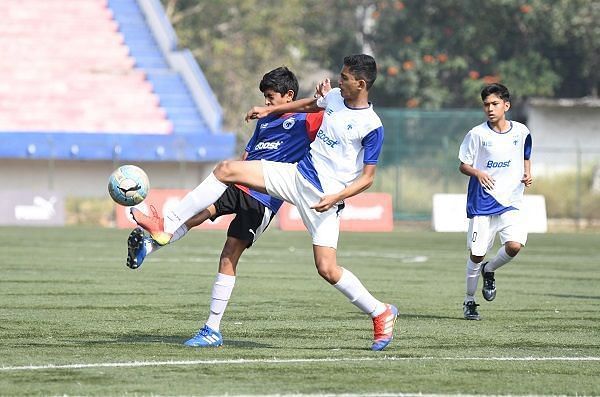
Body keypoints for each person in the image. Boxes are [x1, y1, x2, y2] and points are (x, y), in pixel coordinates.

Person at [132, 54, 398, 351]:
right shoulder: (334, 97)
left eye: (345, 77)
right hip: (296, 176)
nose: (339, 80)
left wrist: (337, 197)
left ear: (361, 84)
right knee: (226, 169)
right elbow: (310, 104)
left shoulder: (372, 125)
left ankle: (380, 311)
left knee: (327, 268)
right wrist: (267, 110)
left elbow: (368, 177)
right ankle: (165, 226)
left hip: (325, 197)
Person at [127, 67, 323, 345]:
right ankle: (148, 246)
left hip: (264, 197)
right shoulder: (264, 122)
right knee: (197, 215)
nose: (266, 102)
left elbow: (329, 116)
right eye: (264, 98)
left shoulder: (307, 120)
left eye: (270, 97)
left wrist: (323, 100)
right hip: (238, 183)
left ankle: (212, 329)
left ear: (288, 95)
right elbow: (247, 155)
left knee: (229, 253)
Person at [458, 83, 533, 320]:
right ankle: (469, 301)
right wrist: (478, 173)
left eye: (494, 104)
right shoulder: (477, 134)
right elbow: (463, 165)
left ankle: (489, 270)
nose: (490, 108)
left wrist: (527, 172)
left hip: (511, 200)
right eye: (486, 105)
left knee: (514, 246)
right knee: (476, 255)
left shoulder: (521, 131)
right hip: (482, 202)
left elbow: (526, 153)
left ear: (506, 105)